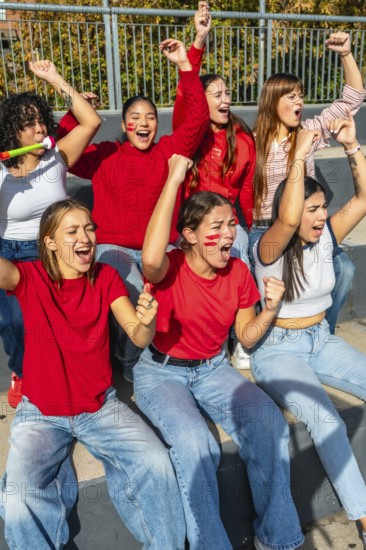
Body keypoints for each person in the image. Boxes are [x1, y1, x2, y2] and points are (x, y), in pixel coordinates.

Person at [133, 154, 304, 550]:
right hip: (162, 372)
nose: (229, 234)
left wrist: (272, 309)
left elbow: (245, 336)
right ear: (190, 235)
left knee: (270, 422)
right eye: (217, 226)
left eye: (231, 225)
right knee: (196, 443)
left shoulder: (238, 272)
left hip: (212, 368)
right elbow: (151, 256)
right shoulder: (169, 266)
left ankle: (279, 539)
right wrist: (174, 179)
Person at [0, 198, 186, 550]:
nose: (85, 236)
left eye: (89, 228)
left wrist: (146, 324)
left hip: (100, 407)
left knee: (157, 463)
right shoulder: (28, 277)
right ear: (50, 242)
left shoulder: (105, 277)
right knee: (17, 497)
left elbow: (137, 334)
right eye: (72, 231)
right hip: (41, 412)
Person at [56, 38, 209, 382]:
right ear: (125, 125)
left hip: (164, 248)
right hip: (115, 250)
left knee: (191, 285)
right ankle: (130, 365)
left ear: (157, 125)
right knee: (134, 296)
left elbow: (198, 119)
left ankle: (184, 355)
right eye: (135, 118)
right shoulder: (106, 154)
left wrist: (186, 66)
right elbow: (66, 153)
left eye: (151, 118)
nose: (144, 123)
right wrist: (73, 113)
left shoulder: (168, 150)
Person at [251, 115, 366, 549]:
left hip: (321, 339)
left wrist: (353, 147)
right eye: (310, 209)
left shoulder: (327, 238)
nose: (319, 216)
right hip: (278, 351)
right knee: (324, 418)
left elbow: (364, 197)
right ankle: (363, 516)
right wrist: (298, 158)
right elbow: (286, 216)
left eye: (321, 208)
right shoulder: (269, 246)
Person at [0, 59, 101, 407]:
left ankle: (68, 373)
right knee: (13, 321)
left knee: (67, 319)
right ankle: (23, 371)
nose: (39, 128)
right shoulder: (0, 169)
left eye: (41, 120)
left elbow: (92, 120)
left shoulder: (56, 158)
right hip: (10, 253)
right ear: (13, 132)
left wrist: (54, 77)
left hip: (55, 252)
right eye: (28, 124)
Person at [250, 31, 366, 334]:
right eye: (291, 96)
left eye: (300, 95)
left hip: (307, 225)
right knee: (262, 279)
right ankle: (262, 334)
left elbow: (353, 97)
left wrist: (345, 54)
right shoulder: (252, 144)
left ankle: (322, 333)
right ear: (273, 101)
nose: (299, 101)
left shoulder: (309, 132)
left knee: (345, 270)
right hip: (266, 226)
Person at [173, 1, 256, 368]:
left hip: (227, 220)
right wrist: (199, 39)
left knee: (238, 255)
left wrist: (249, 229)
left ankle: (240, 340)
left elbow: (249, 191)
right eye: (216, 93)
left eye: (227, 92)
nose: (225, 98)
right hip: (189, 223)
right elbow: (185, 90)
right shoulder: (191, 133)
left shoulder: (243, 136)